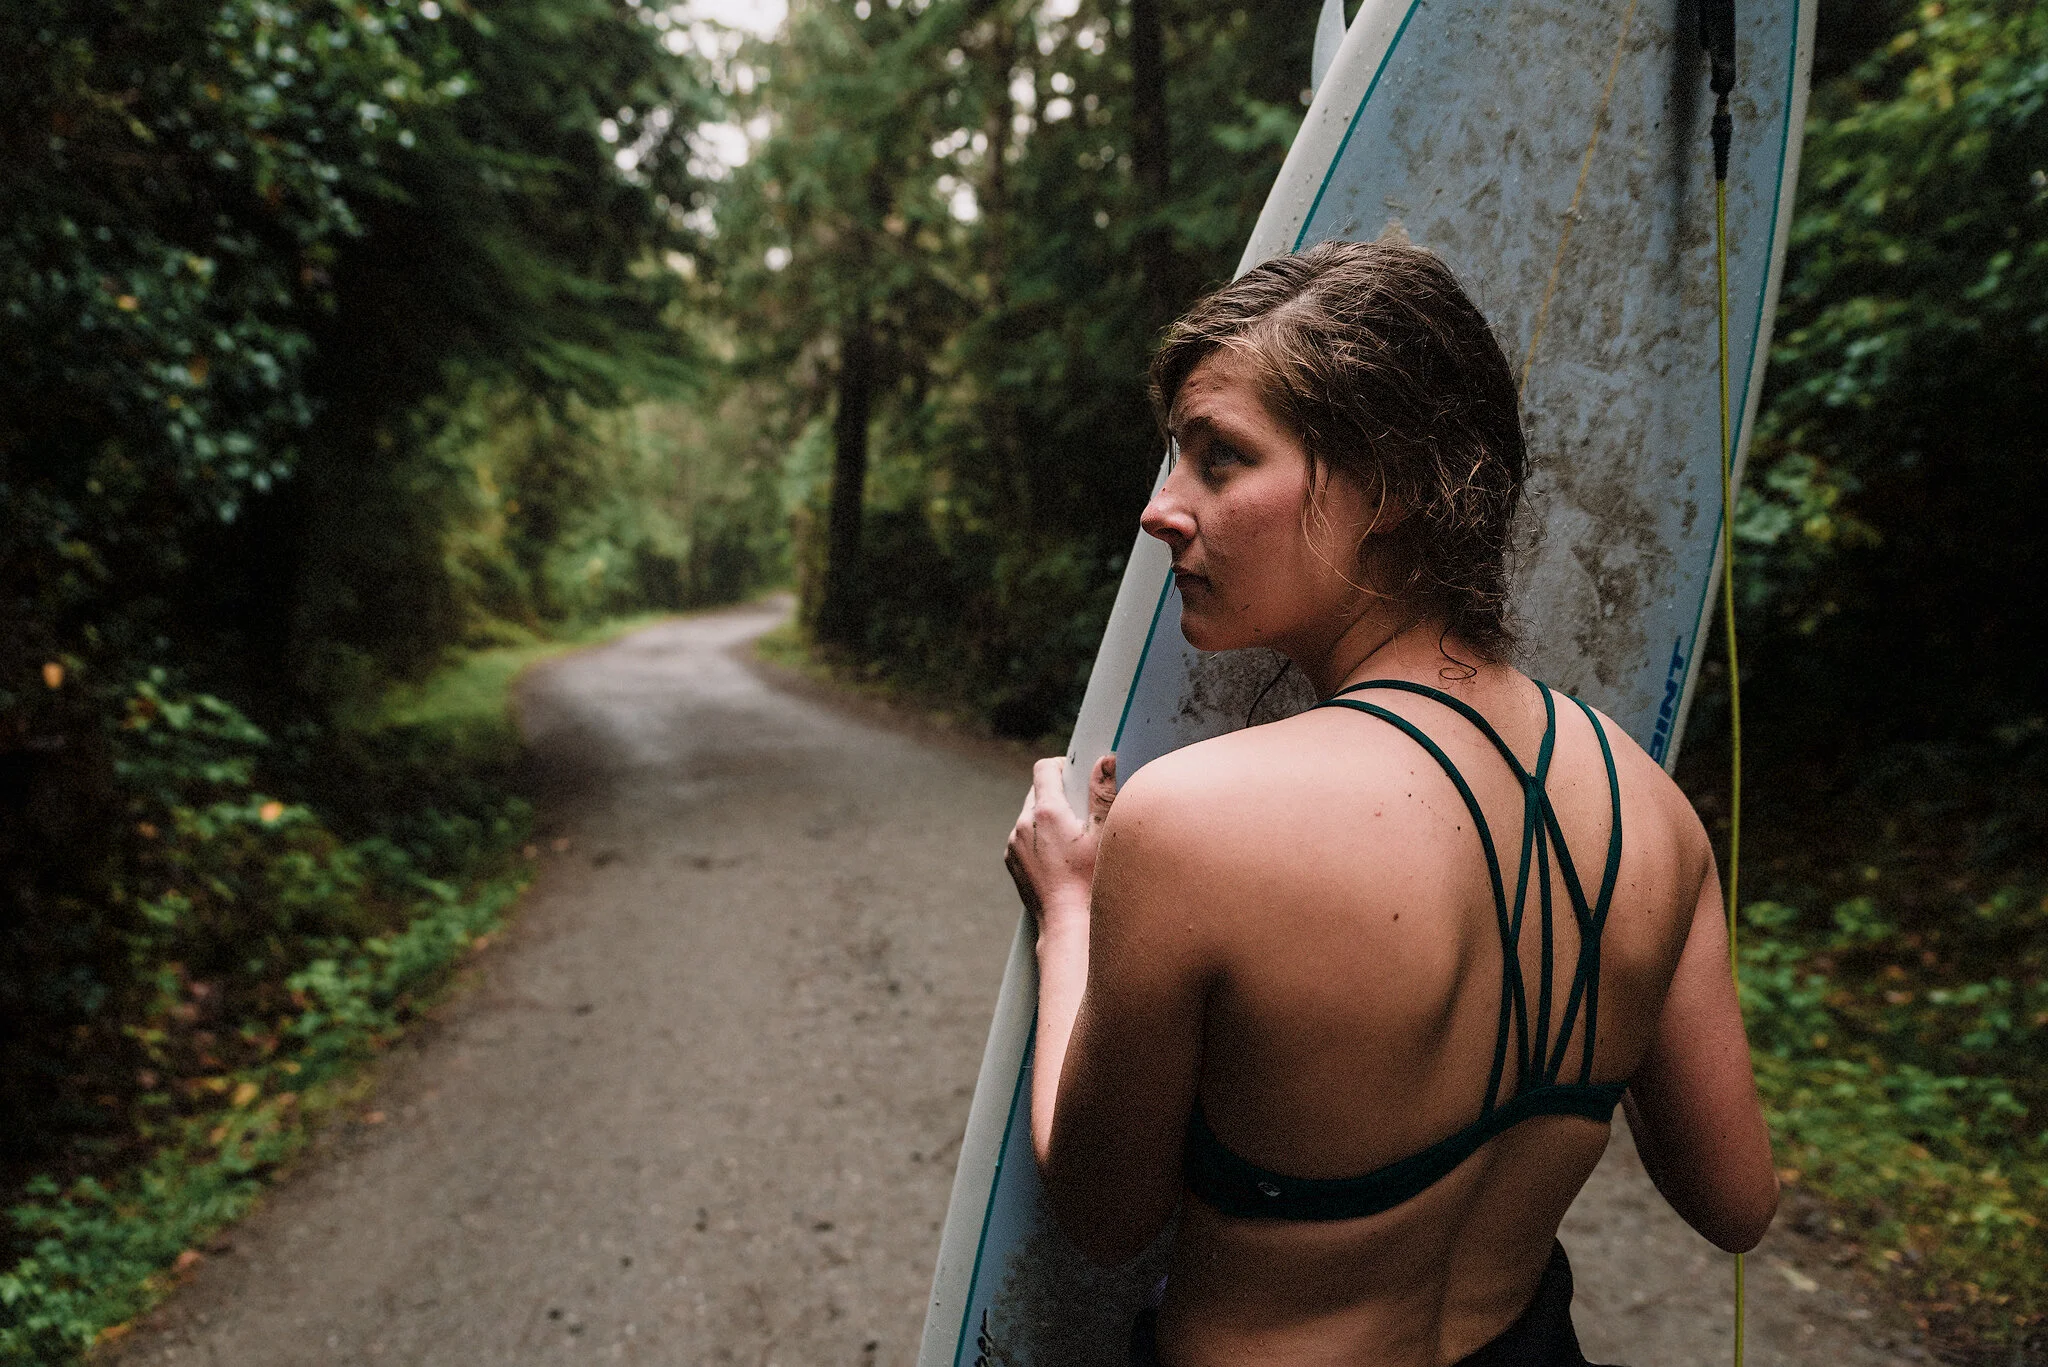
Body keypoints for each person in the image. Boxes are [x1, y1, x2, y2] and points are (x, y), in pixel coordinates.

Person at [1003, 240, 1778, 1367]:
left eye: (1219, 459)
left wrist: (1070, 909)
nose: (1159, 509)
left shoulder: (1194, 824)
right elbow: (1736, 1201)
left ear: (1396, 485)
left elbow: (1101, 1213)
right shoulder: (1651, 814)